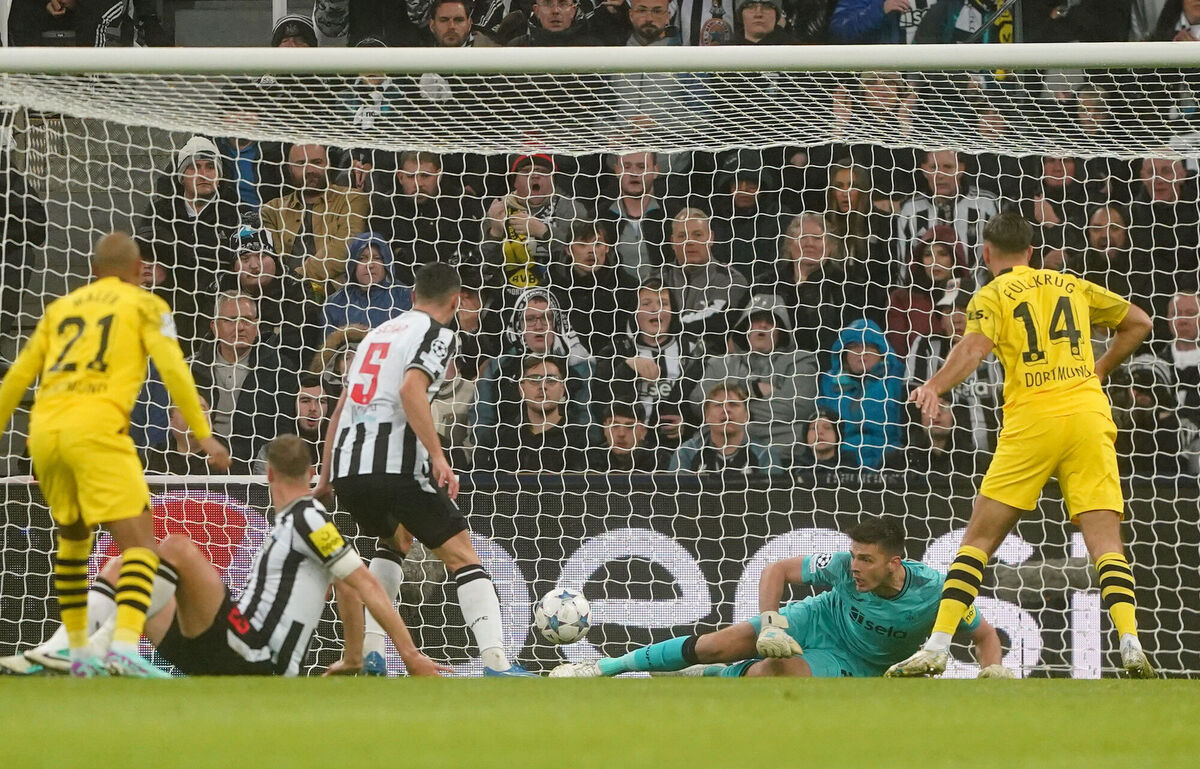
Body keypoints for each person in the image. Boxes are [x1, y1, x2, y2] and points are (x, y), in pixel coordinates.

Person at [887, 212, 1156, 679]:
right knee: (1106, 543)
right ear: (1031, 252)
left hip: (1032, 421)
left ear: (987, 254)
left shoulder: (990, 294)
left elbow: (972, 349)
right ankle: (1130, 642)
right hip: (1088, 418)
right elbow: (1139, 322)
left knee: (979, 539)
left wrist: (934, 386)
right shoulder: (1070, 284)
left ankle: (937, 646)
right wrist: (1099, 370)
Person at [0, 232, 231, 677]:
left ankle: (79, 650)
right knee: (141, 545)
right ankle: (124, 646)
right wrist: (204, 436)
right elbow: (176, 373)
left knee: (73, 539)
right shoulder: (147, 306)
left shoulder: (61, 309)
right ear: (137, 270)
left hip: (45, 432)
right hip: (99, 431)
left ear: (92, 270)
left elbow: (17, 378)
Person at [316, 262, 535, 677]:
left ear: (412, 297)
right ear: (455, 301)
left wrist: (325, 477)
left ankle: (375, 657)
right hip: (394, 466)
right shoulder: (440, 334)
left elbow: (341, 407)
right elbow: (411, 389)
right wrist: (438, 457)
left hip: (349, 470)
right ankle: (497, 662)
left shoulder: (374, 335)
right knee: (462, 555)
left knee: (395, 540)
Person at [78, 436, 446, 677]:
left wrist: (410, 656)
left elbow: (363, 582)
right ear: (311, 473)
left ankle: (108, 647)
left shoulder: (308, 518)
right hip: (225, 653)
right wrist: (353, 658)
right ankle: (77, 651)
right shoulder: (290, 523)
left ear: (268, 473)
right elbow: (349, 588)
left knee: (175, 547)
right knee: (121, 567)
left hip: (256, 654)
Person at [550, 517, 1008, 679]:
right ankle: (601, 668)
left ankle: (715, 675)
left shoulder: (936, 593)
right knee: (718, 641)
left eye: (866, 560)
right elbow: (778, 569)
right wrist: (770, 622)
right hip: (818, 618)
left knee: (773, 678)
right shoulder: (843, 570)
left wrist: (993, 669)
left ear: (894, 563)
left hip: (859, 662)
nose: (855, 568)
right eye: (854, 557)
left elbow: (984, 635)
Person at [694, 294, 819, 466]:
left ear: (781, 331)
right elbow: (699, 401)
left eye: (770, 321)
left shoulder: (801, 361)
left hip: (784, 453)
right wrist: (750, 389)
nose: (763, 325)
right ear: (745, 328)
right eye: (756, 319)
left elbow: (798, 408)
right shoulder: (720, 363)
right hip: (719, 450)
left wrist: (733, 413)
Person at [191, 292, 299, 464]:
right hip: (200, 463)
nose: (240, 327)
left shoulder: (280, 369)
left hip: (255, 466)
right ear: (214, 326)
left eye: (247, 320)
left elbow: (284, 429)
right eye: (231, 320)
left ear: (257, 326)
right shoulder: (191, 369)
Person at [260, 143, 370, 302]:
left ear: (328, 164)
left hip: (336, 295)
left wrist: (298, 276)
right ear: (289, 168)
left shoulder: (353, 198)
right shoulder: (272, 210)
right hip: (284, 297)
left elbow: (346, 246)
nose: (310, 169)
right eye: (301, 164)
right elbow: (272, 261)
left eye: (317, 162)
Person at [893, 150, 1001, 288]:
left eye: (948, 167)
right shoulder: (910, 210)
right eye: (934, 167)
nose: (940, 175)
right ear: (924, 170)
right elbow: (903, 268)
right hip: (925, 300)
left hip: (976, 297)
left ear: (961, 169)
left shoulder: (986, 205)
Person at [474, 356, 591, 473]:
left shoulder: (582, 442)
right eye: (534, 380)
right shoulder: (495, 441)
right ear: (521, 390)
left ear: (562, 389)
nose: (543, 386)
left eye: (551, 380)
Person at [817, 318, 905, 470]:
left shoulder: (898, 377)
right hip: (842, 466)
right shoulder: (828, 382)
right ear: (843, 353)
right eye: (854, 347)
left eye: (869, 346)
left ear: (882, 351)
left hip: (891, 464)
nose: (862, 352)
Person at [670, 382, 774, 476]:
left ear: (746, 416)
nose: (726, 409)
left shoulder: (765, 455)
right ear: (707, 416)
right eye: (719, 405)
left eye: (733, 404)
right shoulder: (687, 453)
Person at [322, 232, 414, 335]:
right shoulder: (334, 304)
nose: (370, 265)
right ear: (353, 265)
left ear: (386, 263)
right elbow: (326, 348)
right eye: (362, 258)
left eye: (376, 258)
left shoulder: (405, 297)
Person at [586, 403, 671, 472]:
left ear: (643, 431)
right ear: (605, 429)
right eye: (614, 425)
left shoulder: (659, 459)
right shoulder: (590, 458)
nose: (621, 434)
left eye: (630, 426)